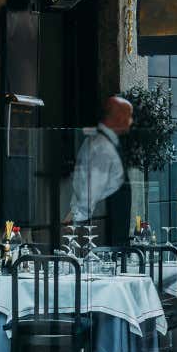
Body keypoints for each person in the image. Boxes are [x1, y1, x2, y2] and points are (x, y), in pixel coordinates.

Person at [68, 96, 134, 245]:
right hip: (103, 229)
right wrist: (75, 222)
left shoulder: (104, 142)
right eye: (129, 116)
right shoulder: (102, 147)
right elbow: (90, 190)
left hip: (108, 225)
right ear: (118, 117)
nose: (131, 121)